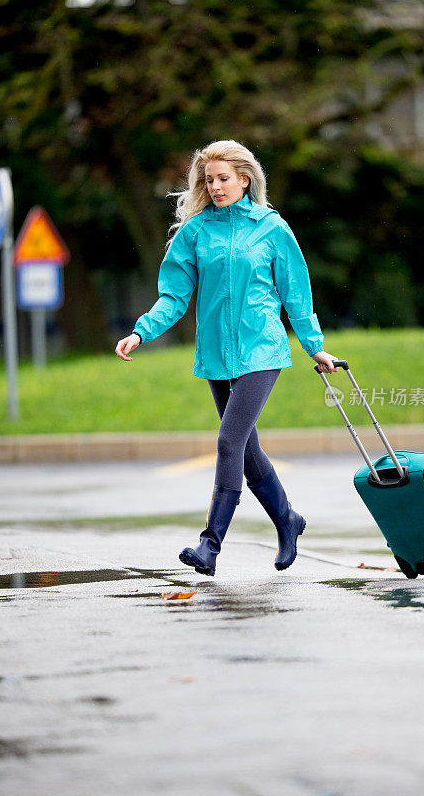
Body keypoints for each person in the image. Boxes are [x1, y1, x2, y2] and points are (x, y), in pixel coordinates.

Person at [115, 139, 338, 577]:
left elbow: (296, 294)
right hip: (216, 353)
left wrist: (314, 345)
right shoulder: (196, 232)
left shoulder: (272, 229)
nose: (214, 186)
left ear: (245, 179)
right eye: (208, 179)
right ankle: (288, 520)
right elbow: (174, 295)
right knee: (247, 449)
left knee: (228, 441)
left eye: (222, 178)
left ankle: (210, 544)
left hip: (262, 348)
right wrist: (142, 331)